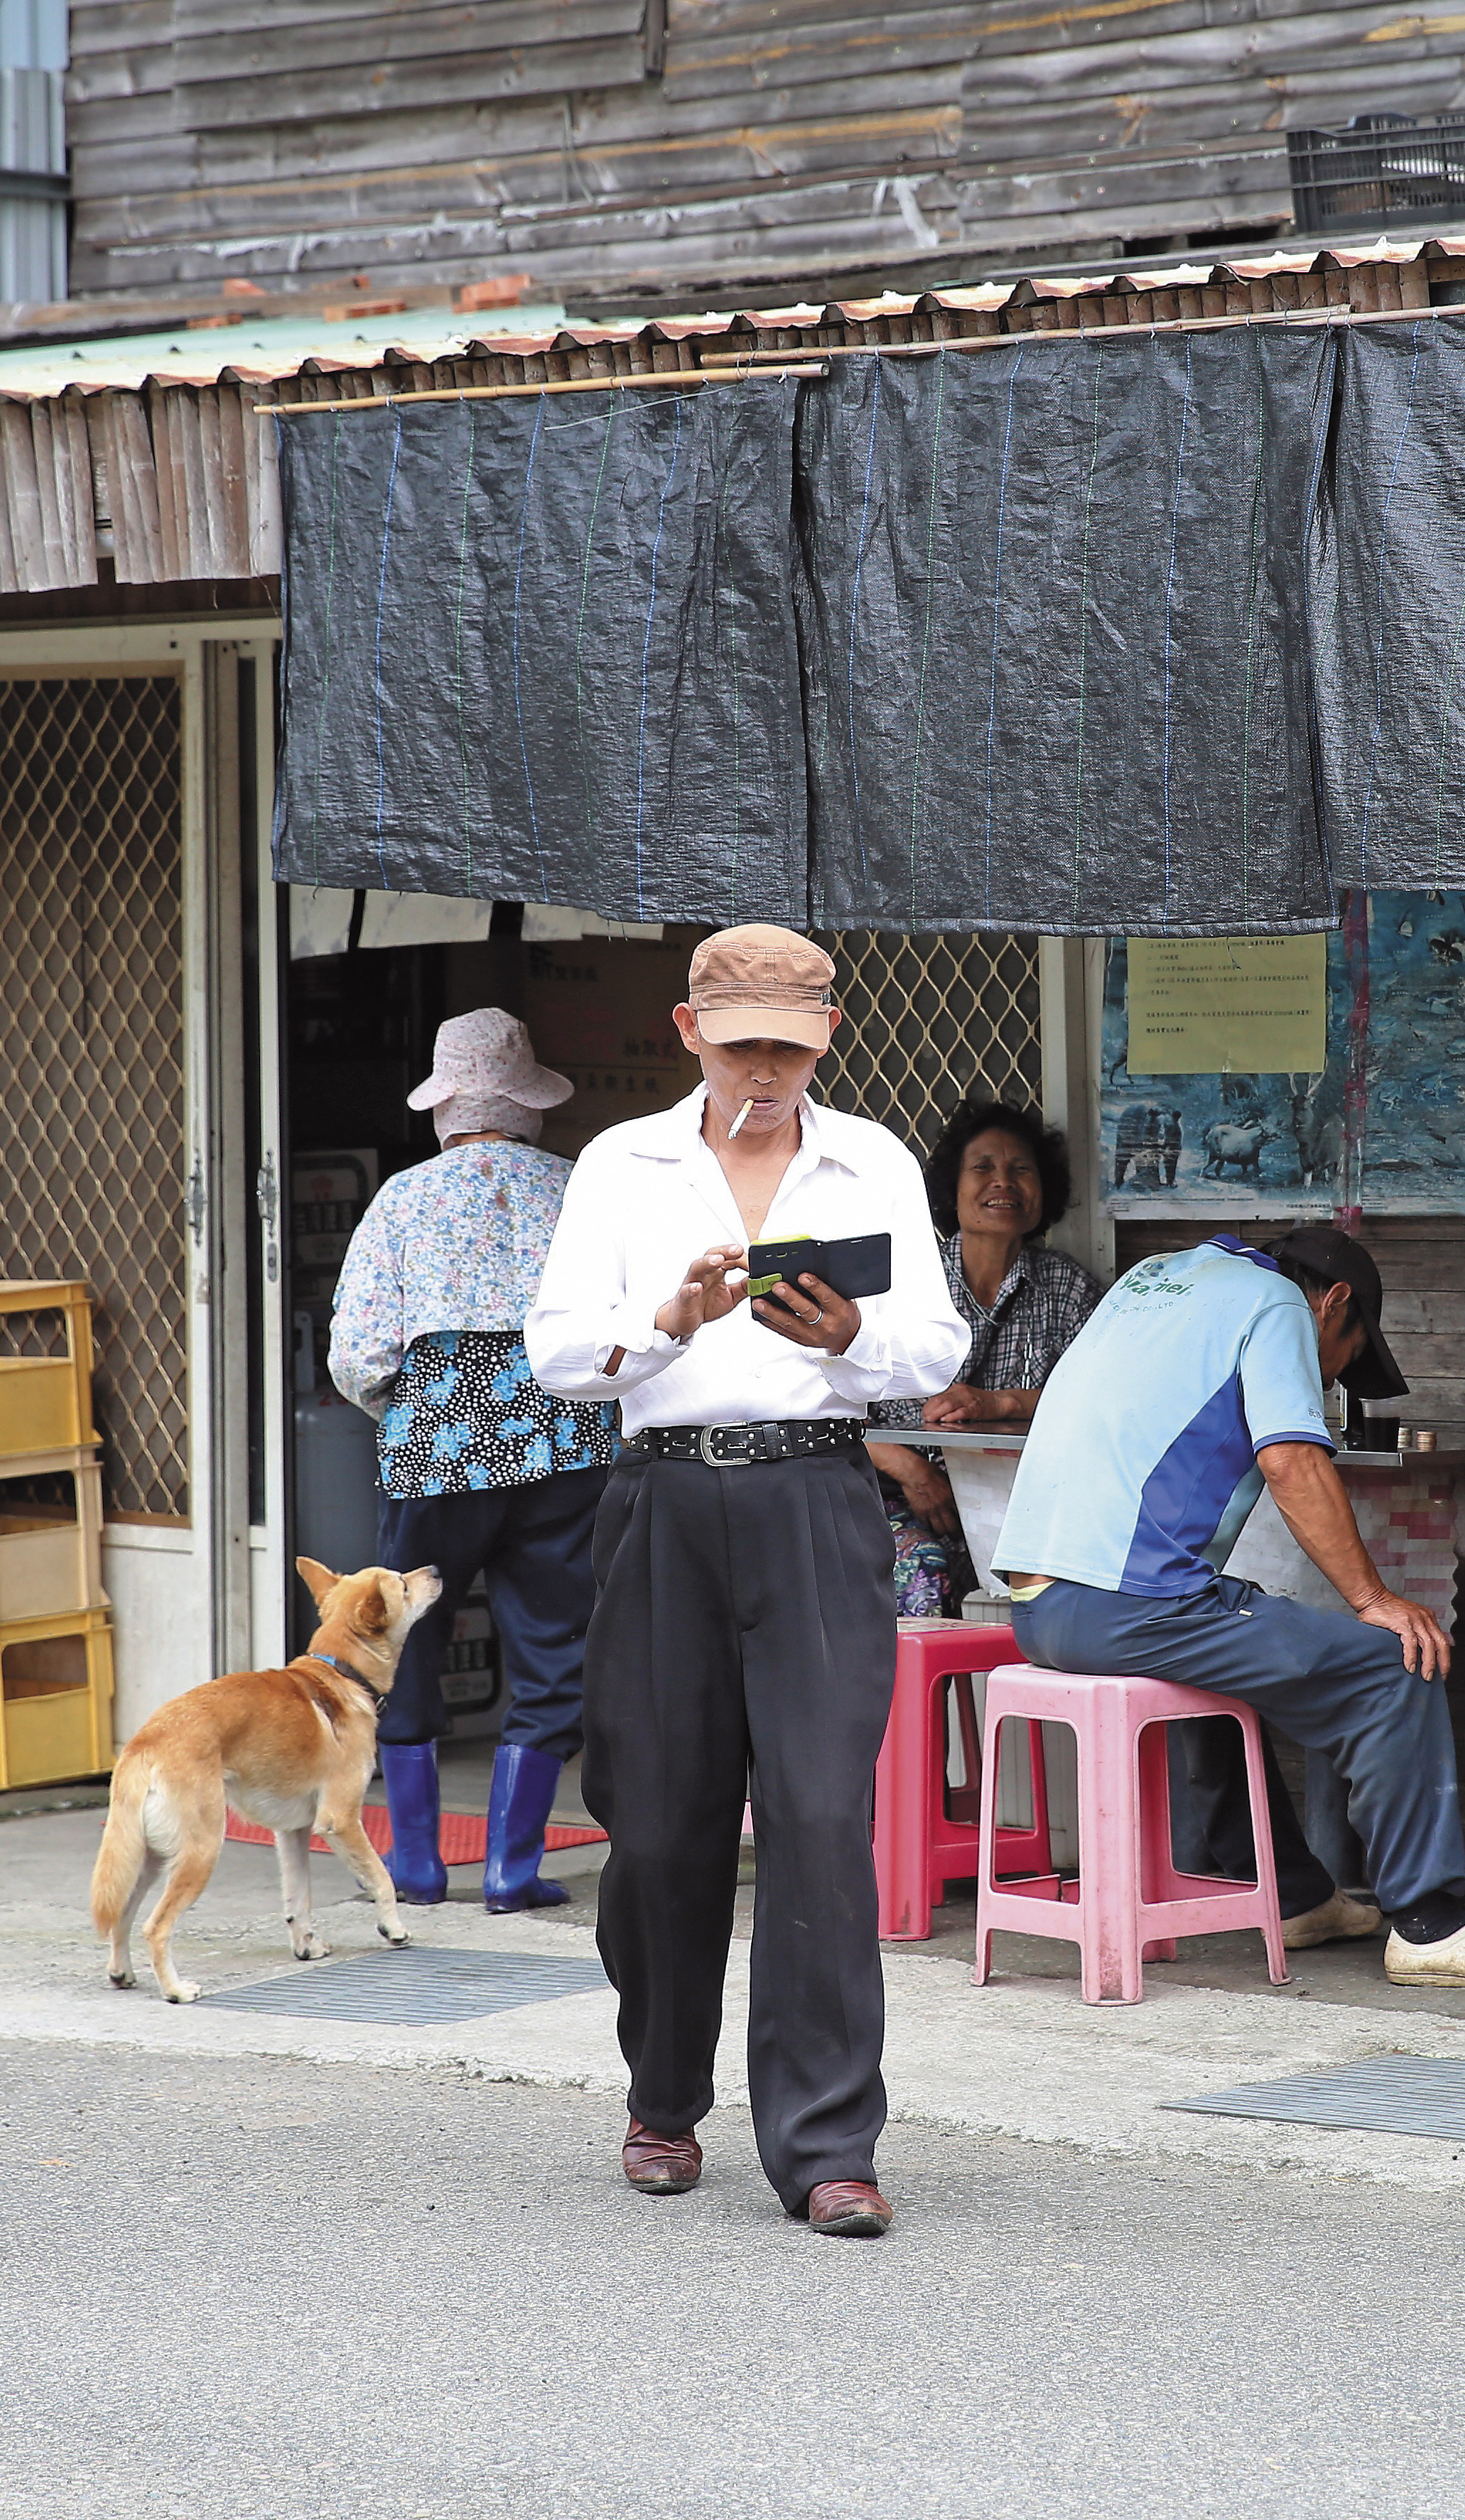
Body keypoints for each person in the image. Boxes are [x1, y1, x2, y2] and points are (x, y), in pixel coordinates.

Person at [523, 924, 967, 2239]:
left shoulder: (870, 1156)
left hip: (820, 1498)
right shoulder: (623, 1163)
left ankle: (829, 2146)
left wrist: (854, 1338)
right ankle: (664, 2096)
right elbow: (554, 1350)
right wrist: (667, 1326)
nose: (766, 1072)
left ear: (826, 1039)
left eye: (791, 1046)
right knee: (658, 1821)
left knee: (823, 1819)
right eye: (743, 1046)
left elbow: (932, 1341)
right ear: (688, 1033)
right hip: (662, 1499)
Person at [992, 1224, 1465, 1990]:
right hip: (1122, 1603)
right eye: (1344, 1362)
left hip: (1039, 1605)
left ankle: (1294, 1898)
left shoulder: (1155, 1276)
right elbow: (1292, 1459)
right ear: (1332, 1305)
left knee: (1230, 1641)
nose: (1330, 1382)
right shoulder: (1278, 1306)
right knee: (1396, 1664)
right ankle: (1432, 1926)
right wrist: (1374, 1599)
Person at [322, 1009, 618, 1914]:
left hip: (433, 1449)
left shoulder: (402, 1200)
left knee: (399, 1643)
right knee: (553, 1646)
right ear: (527, 1104)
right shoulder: (578, 1190)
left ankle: (415, 1865)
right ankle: (510, 1871)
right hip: (561, 1443)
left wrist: (411, 1410)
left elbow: (358, 1352)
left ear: (446, 1107)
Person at [867, 1100, 1104, 1614]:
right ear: (952, 1189)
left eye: (1022, 1169)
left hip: (1025, 1509)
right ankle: (918, 1696)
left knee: (1076, 1591)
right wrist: (912, 1471)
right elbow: (829, 1405)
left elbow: (1098, 1400)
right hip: (897, 1499)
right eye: (983, 1168)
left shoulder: (1069, 1288)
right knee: (920, 1572)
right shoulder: (904, 1285)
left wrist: (998, 1404)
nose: (1004, 1182)